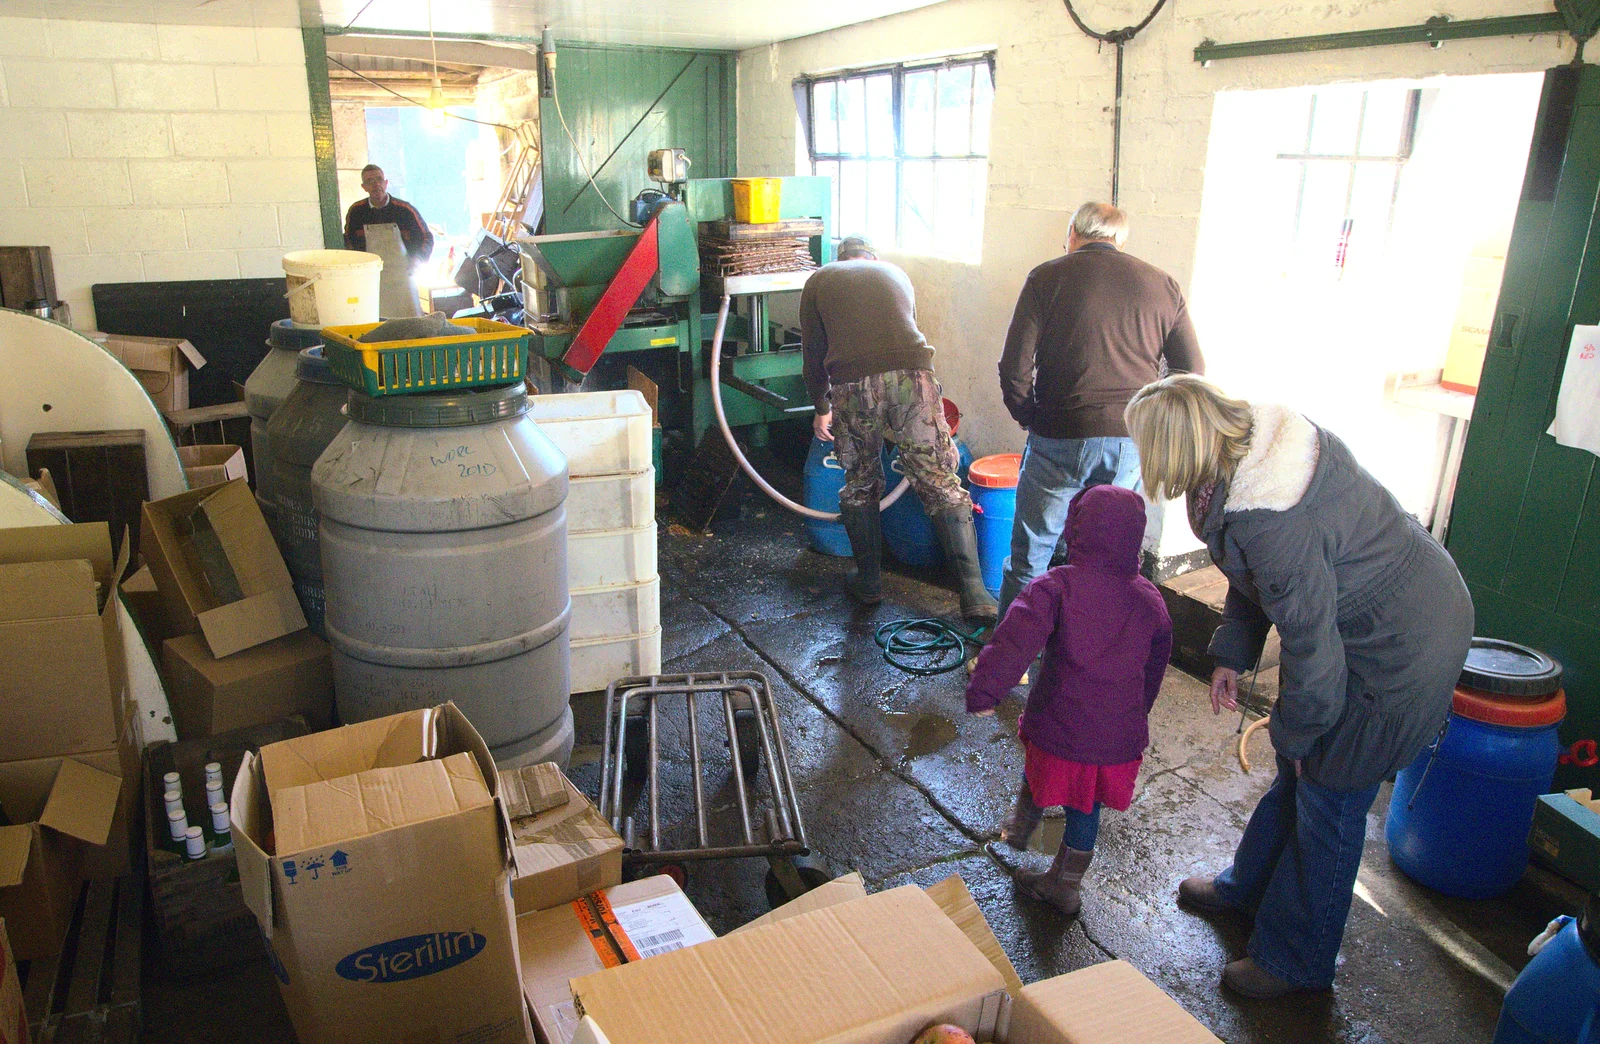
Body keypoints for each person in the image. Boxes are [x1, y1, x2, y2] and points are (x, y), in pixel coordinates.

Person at [1123, 374, 1474, 999]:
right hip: (1369, 621)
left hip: (1400, 646)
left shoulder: (1273, 513)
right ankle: (1246, 890)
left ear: (1177, 448)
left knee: (1330, 801)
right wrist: (1232, 651)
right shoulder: (1243, 454)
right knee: (1301, 775)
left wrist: (1293, 729)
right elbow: (1252, 571)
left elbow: (1311, 644)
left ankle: (1296, 964)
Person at [965, 484, 1172, 917]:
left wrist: (986, 690)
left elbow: (1012, 642)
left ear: (1077, 528)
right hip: (1115, 738)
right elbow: (1153, 669)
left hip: (1059, 724)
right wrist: (1137, 714)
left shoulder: (1056, 586)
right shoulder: (1150, 600)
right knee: (1086, 805)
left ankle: (1020, 830)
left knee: (1041, 767)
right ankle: (1066, 885)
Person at [996, 201, 1204, 616]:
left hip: (1060, 432)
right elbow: (1192, 370)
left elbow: (1014, 367)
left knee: (1031, 554)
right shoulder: (1162, 284)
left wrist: (1032, 418)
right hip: (1129, 441)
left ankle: (1014, 658)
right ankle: (1091, 654)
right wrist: (1151, 421)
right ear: (1120, 240)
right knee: (1106, 554)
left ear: (1073, 231)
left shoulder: (1046, 277)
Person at [802, 235, 997, 622]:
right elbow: (904, 330)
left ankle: (870, 583)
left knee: (860, 480)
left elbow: (813, 354)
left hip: (853, 383)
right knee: (939, 478)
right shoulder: (895, 272)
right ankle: (975, 593)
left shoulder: (820, 279)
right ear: (871, 257)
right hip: (914, 376)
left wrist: (821, 407)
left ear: (839, 259)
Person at [344, 164, 434, 269]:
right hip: (369, 273)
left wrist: (418, 259)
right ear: (364, 187)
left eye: (379, 179)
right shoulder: (356, 211)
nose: (376, 184)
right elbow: (348, 240)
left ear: (386, 183)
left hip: (404, 271)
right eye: (370, 181)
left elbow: (427, 237)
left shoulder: (406, 210)